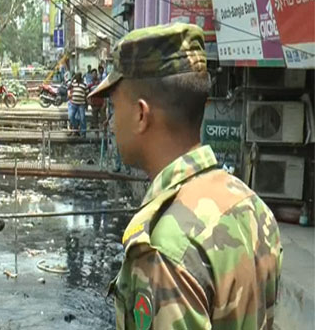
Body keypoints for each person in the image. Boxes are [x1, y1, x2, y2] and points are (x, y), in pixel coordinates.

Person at [88, 23, 282, 329]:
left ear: (141, 114)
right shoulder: (250, 204)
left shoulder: (165, 247)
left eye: (114, 107)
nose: (110, 122)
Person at [67, 72, 87, 136]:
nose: (77, 77)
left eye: (78, 76)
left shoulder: (84, 85)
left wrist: (86, 104)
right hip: (73, 103)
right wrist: (72, 79)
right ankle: (75, 127)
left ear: (80, 77)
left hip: (81, 104)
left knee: (82, 118)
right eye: (76, 76)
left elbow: (86, 94)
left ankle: (83, 133)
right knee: (71, 116)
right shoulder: (73, 83)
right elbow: (68, 87)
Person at [87, 70, 105, 136]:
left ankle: (104, 133)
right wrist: (89, 101)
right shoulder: (90, 84)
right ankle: (97, 134)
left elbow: (104, 93)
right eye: (93, 74)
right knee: (95, 120)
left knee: (103, 119)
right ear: (91, 75)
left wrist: (104, 102)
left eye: (95, 73)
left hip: (101, 103)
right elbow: (87, 93)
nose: (94, 75)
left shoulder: (101, 83)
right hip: (94, 104)